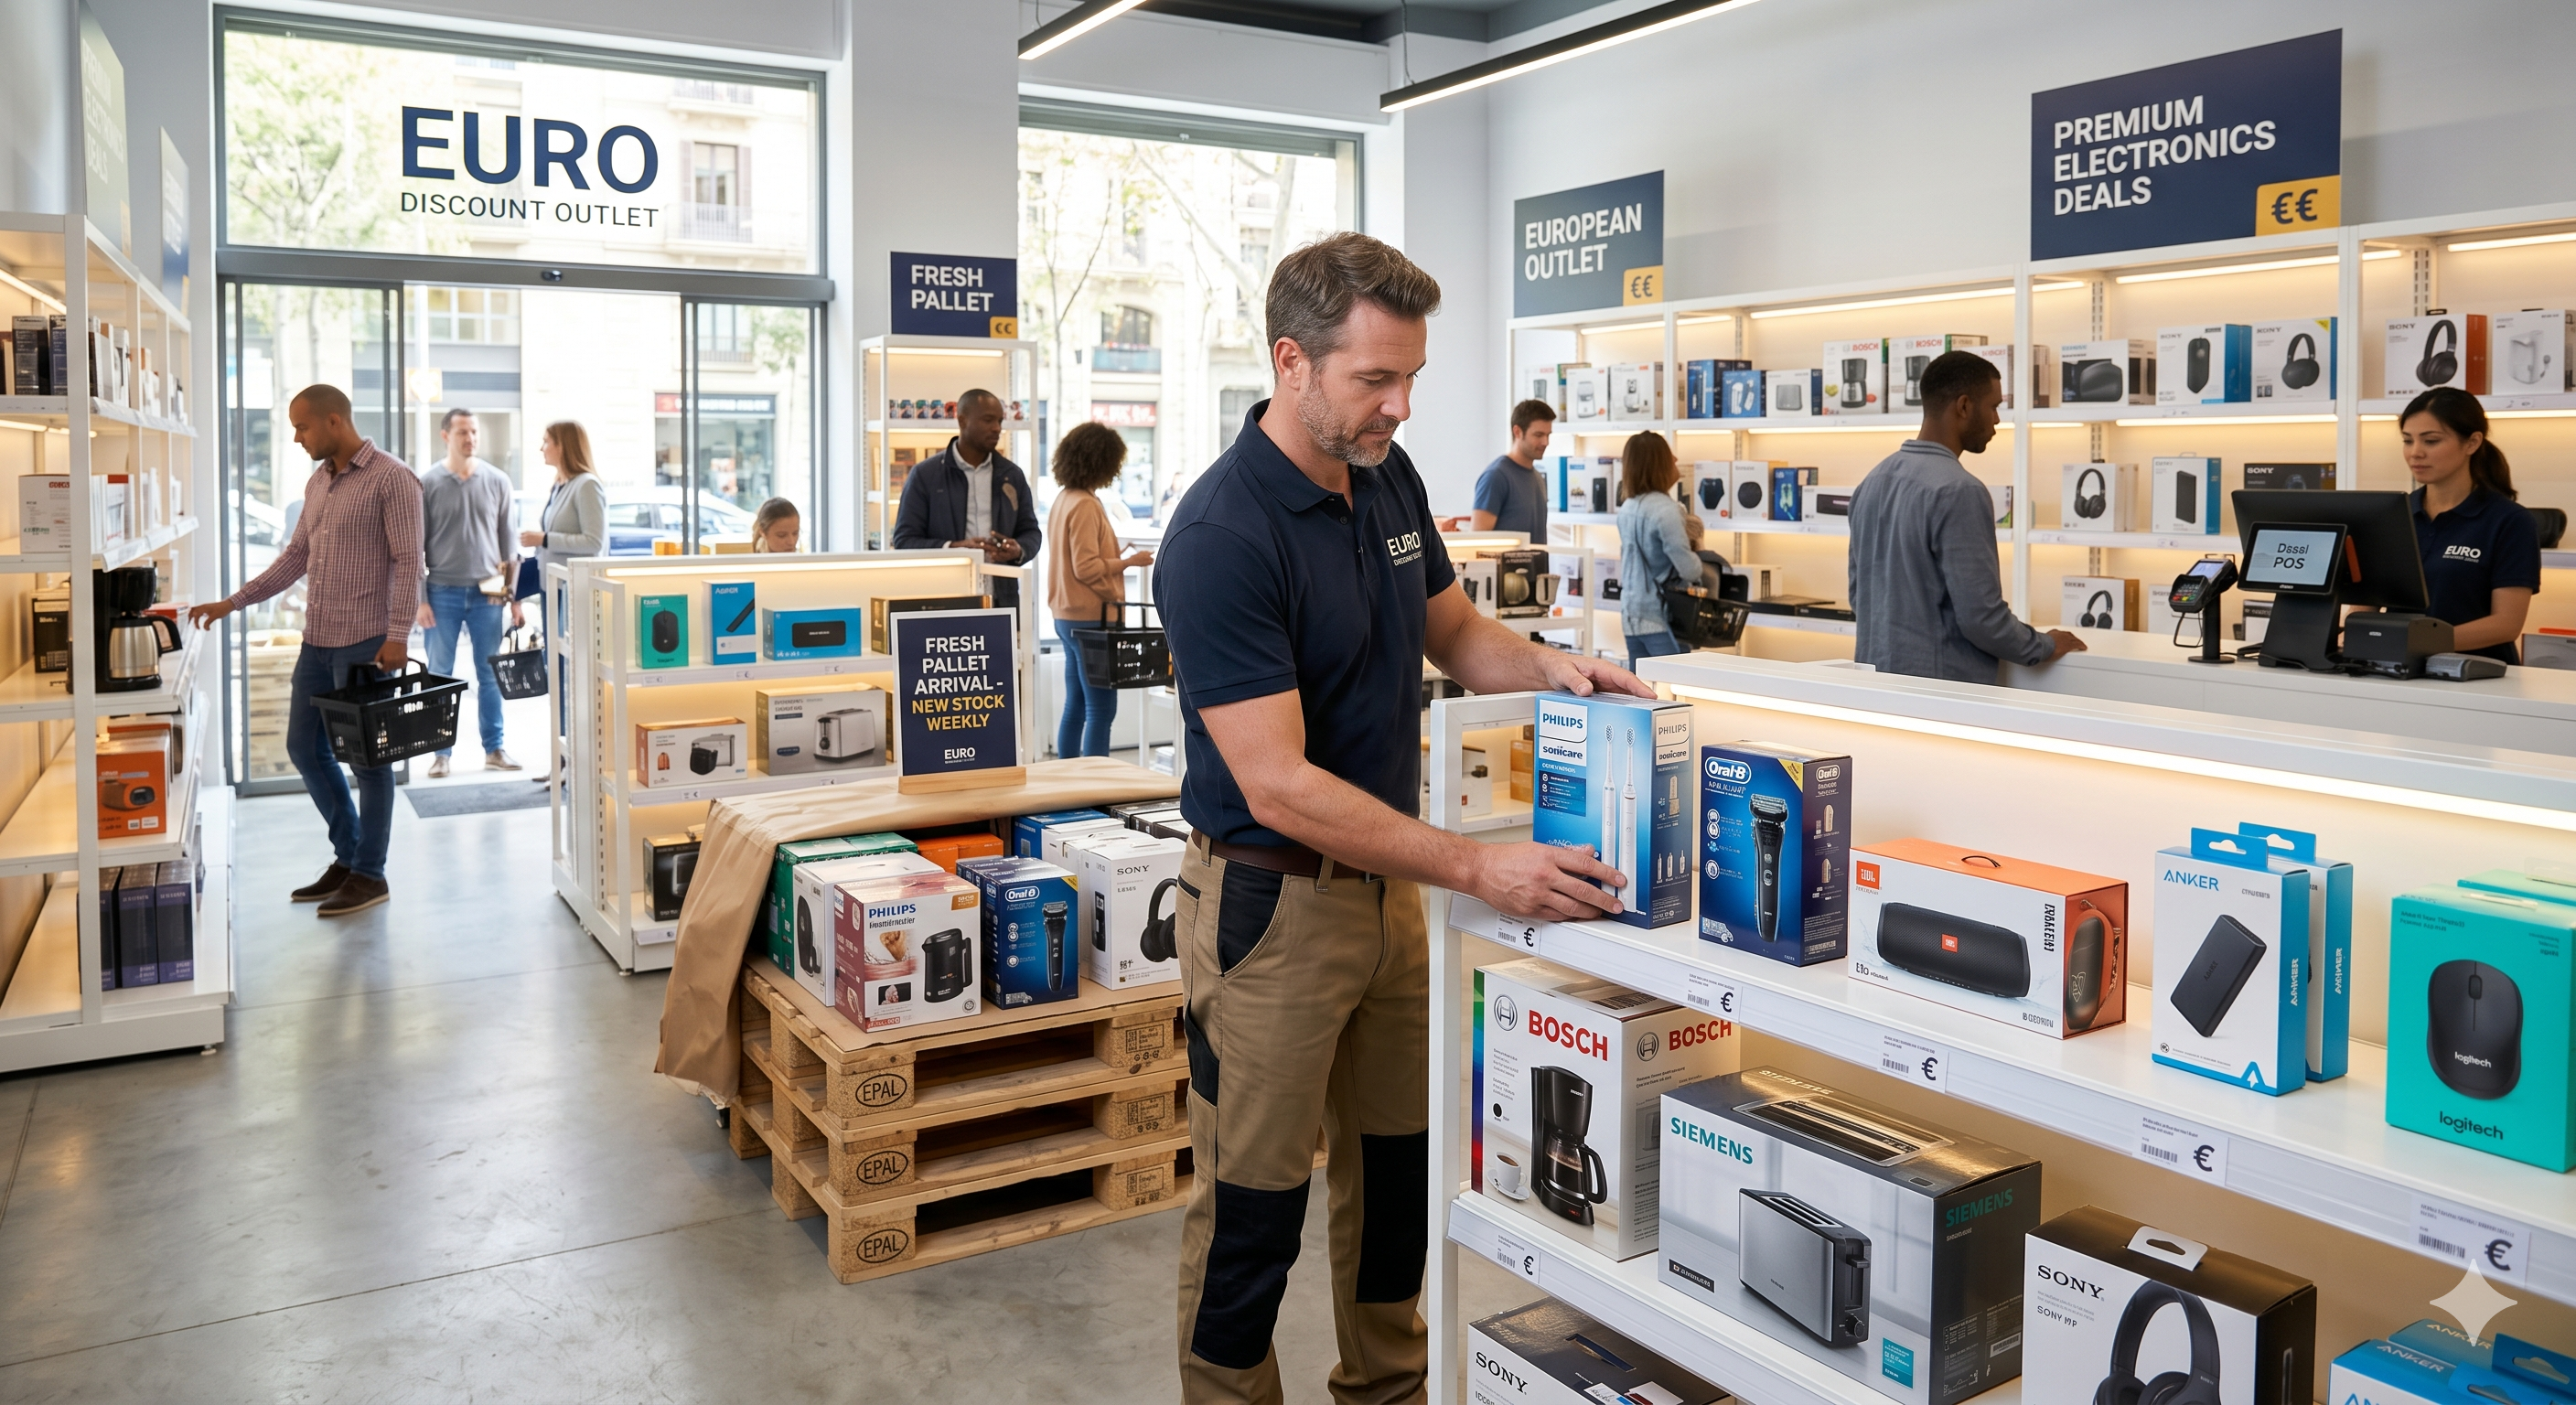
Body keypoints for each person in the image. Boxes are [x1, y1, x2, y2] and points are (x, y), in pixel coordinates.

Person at [1153, 232, 1650, 1405]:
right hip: (1271, 912)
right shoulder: (1223, 537)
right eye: (1374, 379)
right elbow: (1274, 782)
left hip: (1389, 895)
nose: (1400, 404)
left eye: (1410, 376)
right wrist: (1480, 873)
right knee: (1250, 1217)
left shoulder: (1387, 480)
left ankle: (1385, 1391)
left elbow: (1456, 634)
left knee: (1395, 1188)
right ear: (1291, 362)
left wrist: (1558, 671)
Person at [188, 385, 422, 917]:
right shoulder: (320, 481)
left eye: (302, 427)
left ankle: (370, 873)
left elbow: (410, 561)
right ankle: (350, 854)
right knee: (303, 747)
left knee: (368, 764)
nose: (296, 438)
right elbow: (296, 556)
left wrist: (398, 633)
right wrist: (234, 602)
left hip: (365, 644)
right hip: (317, 642)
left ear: (334, 421)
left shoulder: (392, 479)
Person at [1848, 349, 2085, 681]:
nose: (1997, 420)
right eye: (1994, 406)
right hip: (1941, 694)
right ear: (1963, 406)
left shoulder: (1871, 482)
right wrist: (2043, 644)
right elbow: (1981, 618)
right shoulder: (1960, 491)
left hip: (1874, 681)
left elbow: (1860, 597)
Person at [2399, 387, 2541, 664]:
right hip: (2395, 671)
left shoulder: (2510, 521)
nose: (2415, 453)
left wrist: (2418, 644)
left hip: (2478, 678)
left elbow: (2506, 624)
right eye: (2407, 441)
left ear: (2472, 443)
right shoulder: (2395, 514)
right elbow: (2364, 605)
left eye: (2430, 441)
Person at [415, 408, 521, 778]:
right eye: (462, 432)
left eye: (474, 431)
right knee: (440, 675)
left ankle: (494, 749)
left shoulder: (497, 481)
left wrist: (511, 595)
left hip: (487, 593)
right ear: (446, 436)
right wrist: (420, 599)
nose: (470, 438)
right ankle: (440, 754)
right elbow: (414, 548)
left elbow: (509, 544)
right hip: (440, 591)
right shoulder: (427, 482)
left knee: (489, 674)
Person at [1046, 423, 1155, 758]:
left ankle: (1070, 778)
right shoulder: (1085, 505)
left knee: (1076, 703)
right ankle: (1097, 789)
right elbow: (1087, 568)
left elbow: (1077, 561)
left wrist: (1114, 557)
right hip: (1091, 618)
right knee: (1101, 710)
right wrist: (1129, 562)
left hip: (1066, 617)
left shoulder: (1065, 499)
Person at [890, 389, 1042, 606]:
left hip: (1002, 601)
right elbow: (904, 541)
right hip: (944, 601)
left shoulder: (1012, 475)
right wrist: (956, 549)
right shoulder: (926, 475)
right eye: (988, 420)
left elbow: (1031, 532)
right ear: (962, 421)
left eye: (999, 421)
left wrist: (1018, 550)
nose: (997, 428)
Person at [520, 422, 606, 779]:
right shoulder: (560, 485)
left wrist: (544, 537)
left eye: (547, 442)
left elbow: (593, 542)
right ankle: (562, 757)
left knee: (568, 675)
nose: (542, 448)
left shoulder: (586, 486)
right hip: (550, 590)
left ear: (564, 446)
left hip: (570, 593)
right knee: (556, 675)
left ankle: (574, 760)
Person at [1614, 431, 1698, 666]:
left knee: (1641, 687)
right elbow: (1689, 570)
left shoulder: (1627, 508)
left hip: (1630, 614)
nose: (1676, 460)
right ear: (1658, 462)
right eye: (1669, 455)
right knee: (1675, 685)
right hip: (1658, 616)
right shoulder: (1667, 510)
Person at [1472, 398, 1557, 537]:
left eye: (1548, 435)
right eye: (1538, 435)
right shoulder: (1496, 477)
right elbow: (1478, 538)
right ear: (1517, 432)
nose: (1545, 442)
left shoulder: (1537, 477)